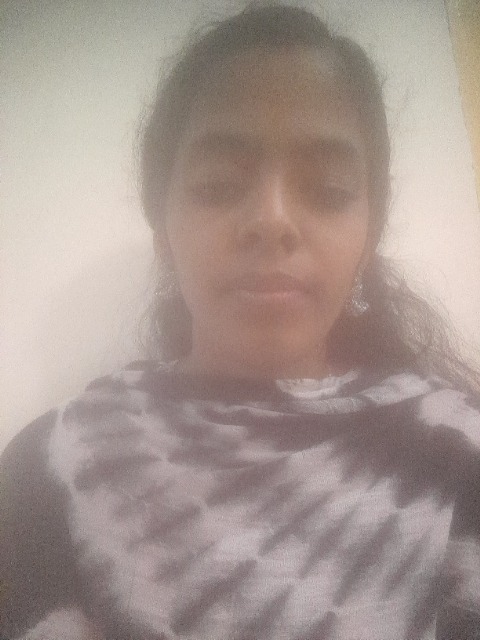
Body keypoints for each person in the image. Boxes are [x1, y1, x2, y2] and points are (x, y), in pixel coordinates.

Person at [1, 4, 480, 639]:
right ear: (162, 226)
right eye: (219, 184)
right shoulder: (51, 467)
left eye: (329, 190)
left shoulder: (457, 458)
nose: (272, 221)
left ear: (368, 237)